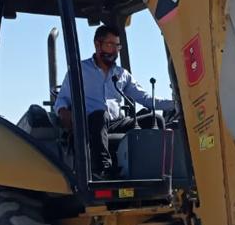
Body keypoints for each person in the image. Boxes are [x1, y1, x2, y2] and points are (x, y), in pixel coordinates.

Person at [53, 25, 175, 178]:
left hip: (116, 123)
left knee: (155, 119)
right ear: (97, 44)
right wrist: (64, 113)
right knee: (100, 115)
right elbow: (61, 100)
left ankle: (158, 170)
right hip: (90, 125)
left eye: (117, 46)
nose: (115, 51)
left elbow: (145, 98)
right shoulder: (79, 70)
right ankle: (102, 170)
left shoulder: (122, 74)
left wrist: (176, 105)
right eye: (110, 45)